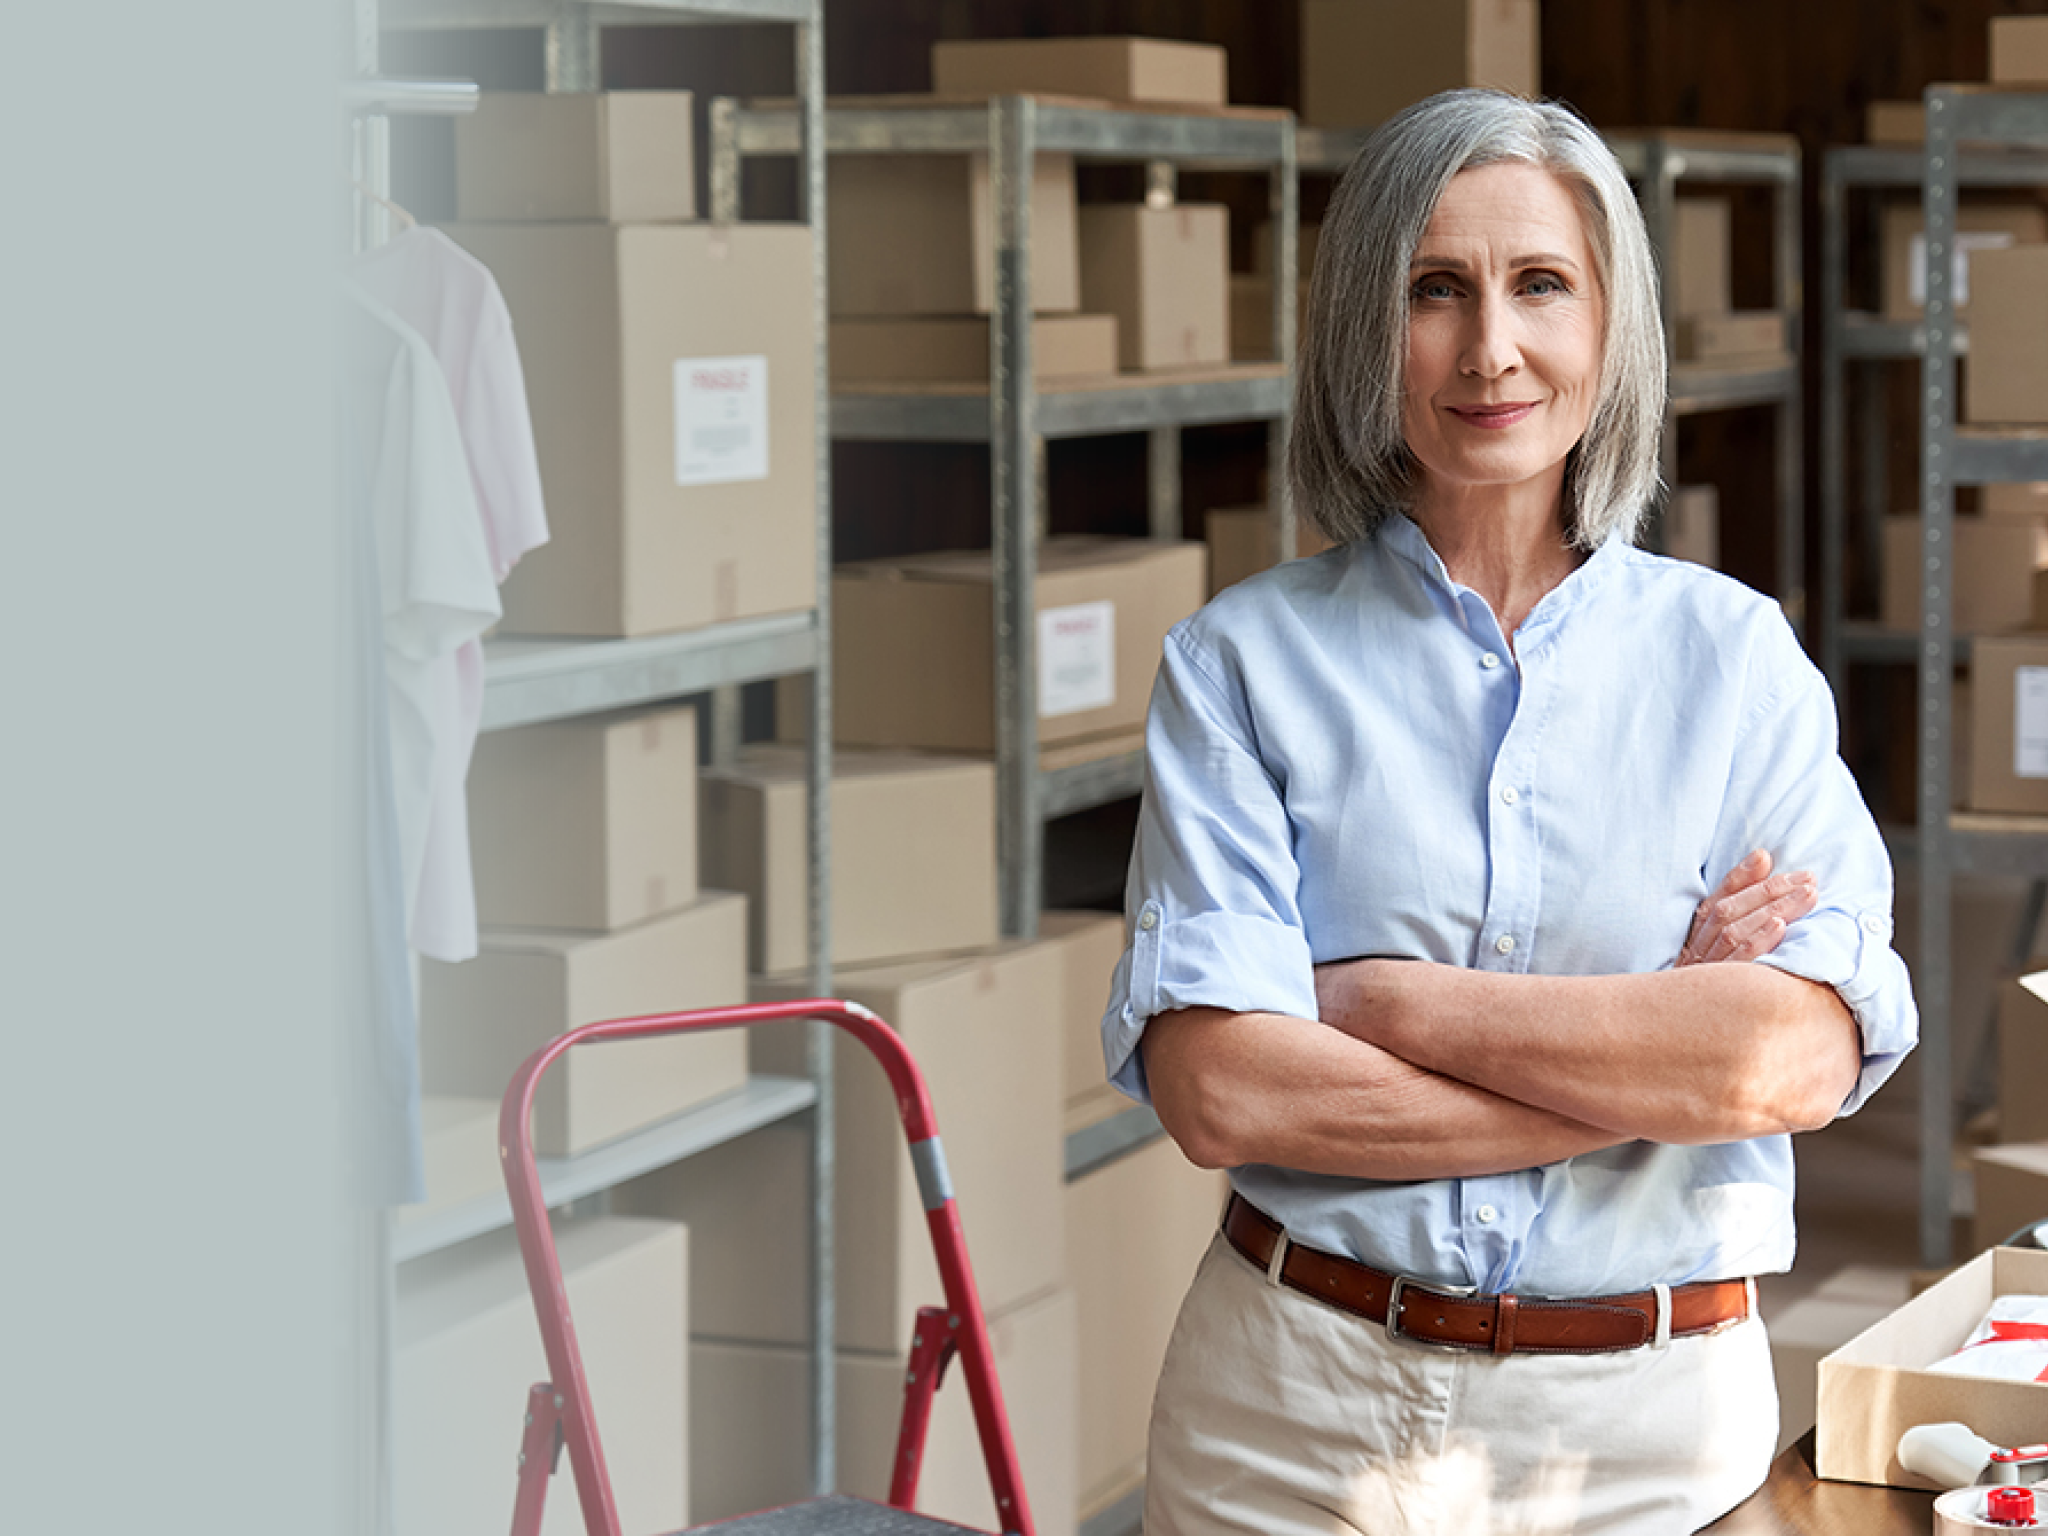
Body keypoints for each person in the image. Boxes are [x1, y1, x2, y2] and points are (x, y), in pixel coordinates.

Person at [1099, 89, 1917, 1536]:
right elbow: (1225, 1090)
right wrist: (1647, 1037)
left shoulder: (1736, 668)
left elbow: (1785, 1061)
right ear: (1369, 324)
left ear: (1612, 326)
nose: (1492, 347)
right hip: (1295, 1419)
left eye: (1541, 283)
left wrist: (1375, 1002)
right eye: (1435, 289)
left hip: (1649, 1443)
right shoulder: (1238, 665)